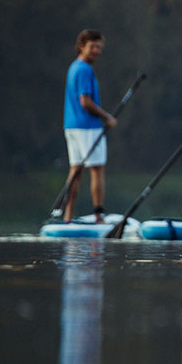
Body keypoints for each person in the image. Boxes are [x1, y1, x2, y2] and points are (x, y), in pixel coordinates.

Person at [63, 30, 117, 222]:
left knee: (75, 171)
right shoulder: (85, 69)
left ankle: (67, 215)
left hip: (71, 126)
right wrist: (106, 117)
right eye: (93, 47)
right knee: (97, 170)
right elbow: (85, 101)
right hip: (88, 127)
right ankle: (98, 215)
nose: (96, 51)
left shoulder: (73, 68)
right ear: (81, 46)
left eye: (99, 47)